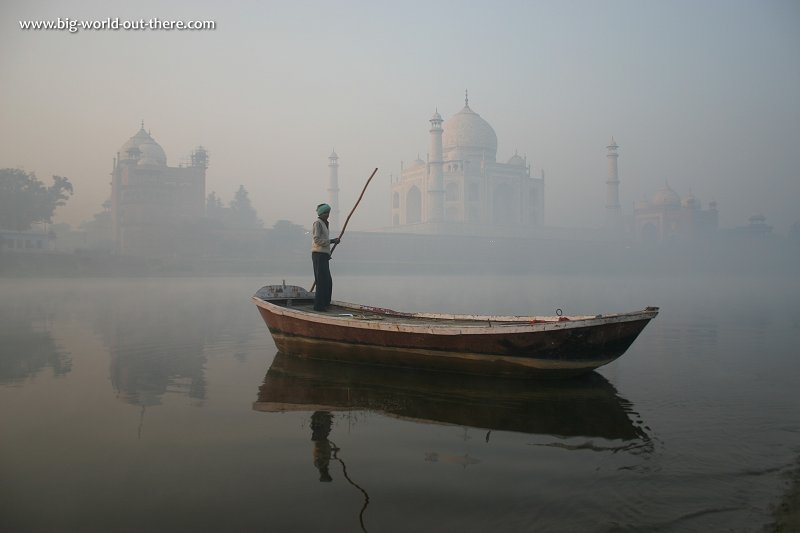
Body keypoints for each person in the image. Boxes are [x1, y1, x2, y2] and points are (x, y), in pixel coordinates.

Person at [311, 203, 340, 311]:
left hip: (323, 255)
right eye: (326, 213)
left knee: (327, 281)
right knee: (321, 281)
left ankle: (325, 303)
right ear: (321, 213)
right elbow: (317, 240)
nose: (327, 215)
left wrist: (329, 248)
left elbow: (323, 241)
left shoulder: (325, 223)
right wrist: (331, 241)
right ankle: (318, 306)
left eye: (328, 212)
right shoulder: (317, 223)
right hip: (318, 255)